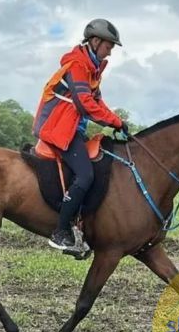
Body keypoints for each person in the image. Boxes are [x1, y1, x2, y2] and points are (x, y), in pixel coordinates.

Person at [32, 19, 128, 254]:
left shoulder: (93, 69)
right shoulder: (77, 65)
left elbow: (97, 101)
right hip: (59, 129)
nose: (110, 52)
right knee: (85, 176)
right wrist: (114, 121)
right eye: (108, 47)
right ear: (95, 42)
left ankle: (81, 225)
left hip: (73, 128)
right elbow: (85, 103)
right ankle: (61, 231)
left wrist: (117, 121)